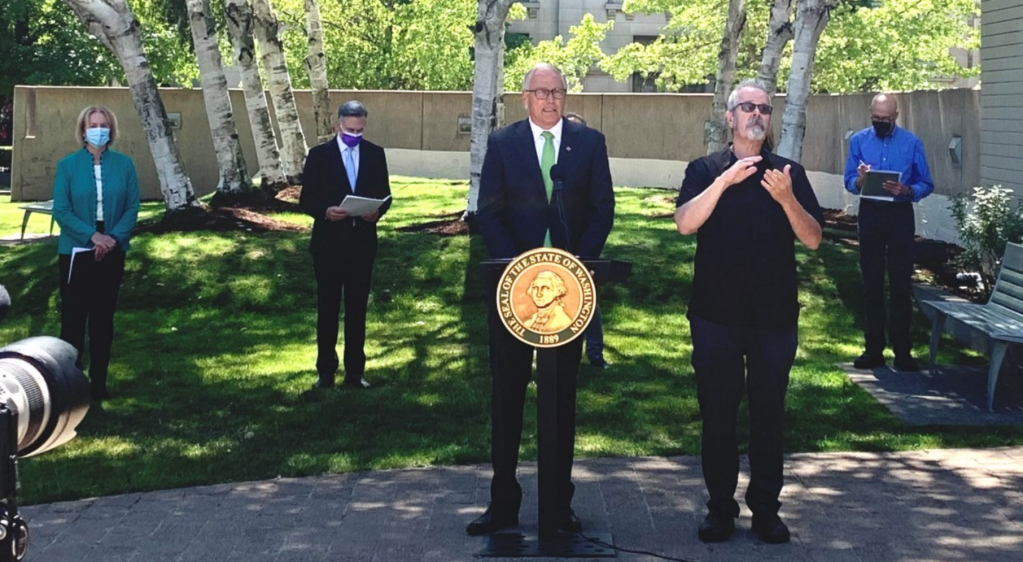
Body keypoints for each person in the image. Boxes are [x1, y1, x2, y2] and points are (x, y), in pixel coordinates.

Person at [468, 63, 615, 536]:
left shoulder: (589, 143)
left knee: (561, 398)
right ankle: (502, 504)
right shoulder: (503, 143)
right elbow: (488, 212)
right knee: (507, 395)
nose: (550, 99)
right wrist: (520, 271)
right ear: (525, 97)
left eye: (557, 91)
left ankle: (557, 503)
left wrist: (577, 265)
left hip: (569, 296)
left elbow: (602, 210)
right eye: (541, 91)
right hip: (513, 292)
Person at [674, 79, 823, 544]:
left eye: (764, 107)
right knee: (718, 416)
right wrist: (725, 181)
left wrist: (786, 198)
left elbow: (813, 238)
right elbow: (685, 224)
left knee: (768, 417)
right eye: (748, 107)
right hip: (714, 317)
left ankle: (766, 512)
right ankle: (720, 509)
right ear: (730, 117)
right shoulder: (704, 169)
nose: (757, 114)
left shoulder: (788, 173)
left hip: (773, 320)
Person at [300, 100, 392, 390]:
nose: (355, 135)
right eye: (350, 130)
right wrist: (326, 212)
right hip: (328, 244)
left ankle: (355, 371)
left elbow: (385, 195)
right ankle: (325, 371)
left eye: (359, 130)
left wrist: (377, 212)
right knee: (327, 308)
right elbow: (306, 199)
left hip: (361, 244)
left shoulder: (375, 154)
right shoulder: (319, 155)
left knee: (357, 309)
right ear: (338, 125)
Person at [52, 105, 140, 402]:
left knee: (103, 319)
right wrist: (93, 237)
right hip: (77, 249)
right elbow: (61, 210)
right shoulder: (68, 166)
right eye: (93, 125)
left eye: (104, 125)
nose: (99, 130)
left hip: (113, 247)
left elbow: (132, 206)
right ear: (83, 130)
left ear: (111, 130)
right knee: (73, 319)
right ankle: (71, 385)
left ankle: (99, 383)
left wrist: (112, 239)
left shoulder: (124, 165)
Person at [844, 93, 934, 372]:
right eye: (876, 118)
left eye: (885, 118)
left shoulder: (911, 142)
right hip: (870, 213)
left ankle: (902, 351)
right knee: (871, 283)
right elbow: (849, 181)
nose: (880, 122)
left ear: (895, 116)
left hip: (899, 215)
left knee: (900, 284)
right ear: (870, 114)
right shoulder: (859, 140)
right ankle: (873, 350)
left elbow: (926, 183)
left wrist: (907, 190)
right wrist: (861, 180)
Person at [563, 111, 609, 369]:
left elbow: (601, 208)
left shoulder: (591, 163)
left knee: (589, 302)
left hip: (584, 247)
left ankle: (594, 354)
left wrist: (587, 249)